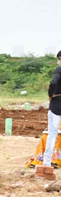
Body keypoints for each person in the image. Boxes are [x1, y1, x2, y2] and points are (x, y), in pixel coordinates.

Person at [41, 51, 61, 181]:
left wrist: (50, 94)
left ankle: (47, 163)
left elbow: (53, 83)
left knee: (52, 133)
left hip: (57, 103)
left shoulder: (59, 70)